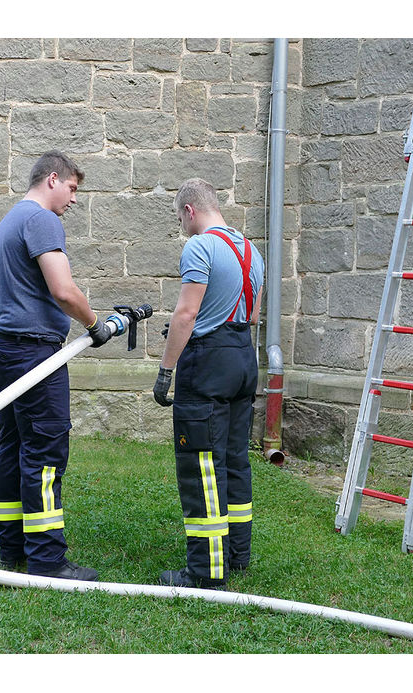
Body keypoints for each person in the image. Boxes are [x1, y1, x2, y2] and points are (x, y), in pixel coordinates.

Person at [0, 150, 112, 582]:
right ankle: (47, 559)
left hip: (3, 346)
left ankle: (12, 547)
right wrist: (96, 325)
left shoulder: (8, 222)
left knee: (14, 445)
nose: (74, 200)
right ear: (52, 179)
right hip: (32, 352)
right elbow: (63, 290)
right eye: (72, 189)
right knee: (45, 450)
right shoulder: (41, 219)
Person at [153, 178, 265, 589]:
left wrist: (166, 371)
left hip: (209, 361)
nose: (182, 227)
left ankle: (205, 571)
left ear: (189, 211)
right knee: (235, 458)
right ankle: (237, 555)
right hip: (243, 356)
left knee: (200, 461)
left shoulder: (199, 247)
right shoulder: (253, 251)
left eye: (180, 219)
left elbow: (186, 315)